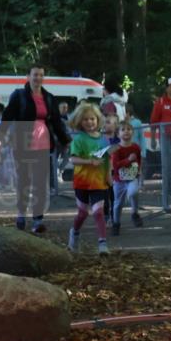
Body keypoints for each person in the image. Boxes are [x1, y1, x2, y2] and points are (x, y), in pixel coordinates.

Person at [0, 64, 71, 233]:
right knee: (24, 181)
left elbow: (56, 122)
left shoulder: (49, 97)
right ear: (28, 76)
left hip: (43, 145)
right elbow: (7, 116)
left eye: (41, 75)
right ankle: (21, 214)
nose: (38, 78)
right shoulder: (19, 95)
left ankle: (37, 220)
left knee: (40, 183)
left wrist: (66, 140)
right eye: (35, 75)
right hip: (23, 144)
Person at [67, 102, 112, 254]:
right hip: (82, 182)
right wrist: (89, 161)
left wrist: (109, 176)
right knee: (83, 213)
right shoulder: (79, 139)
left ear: (98, 119)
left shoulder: (104, 139)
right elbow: (73, 160)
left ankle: (102, 244)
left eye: (92, 118)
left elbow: (108, 160)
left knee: (98, 212)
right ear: (80, 122)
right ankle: (74, 233)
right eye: (85, 119)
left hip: (99, 182)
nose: (89, 122)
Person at [110, 119, 144, 235]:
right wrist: (128, 160)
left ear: (133, 132)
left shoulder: (136, 147)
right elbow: (115, 165)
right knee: (118, 204)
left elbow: (139, 161)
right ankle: (116, 223)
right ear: (118, 134)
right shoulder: (116, 149)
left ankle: (135, 213)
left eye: (129, 129)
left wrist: (138, 170)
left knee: (133, 192)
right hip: (119, 180)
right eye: (123, 130)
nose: (126, 132)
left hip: (132, 178)